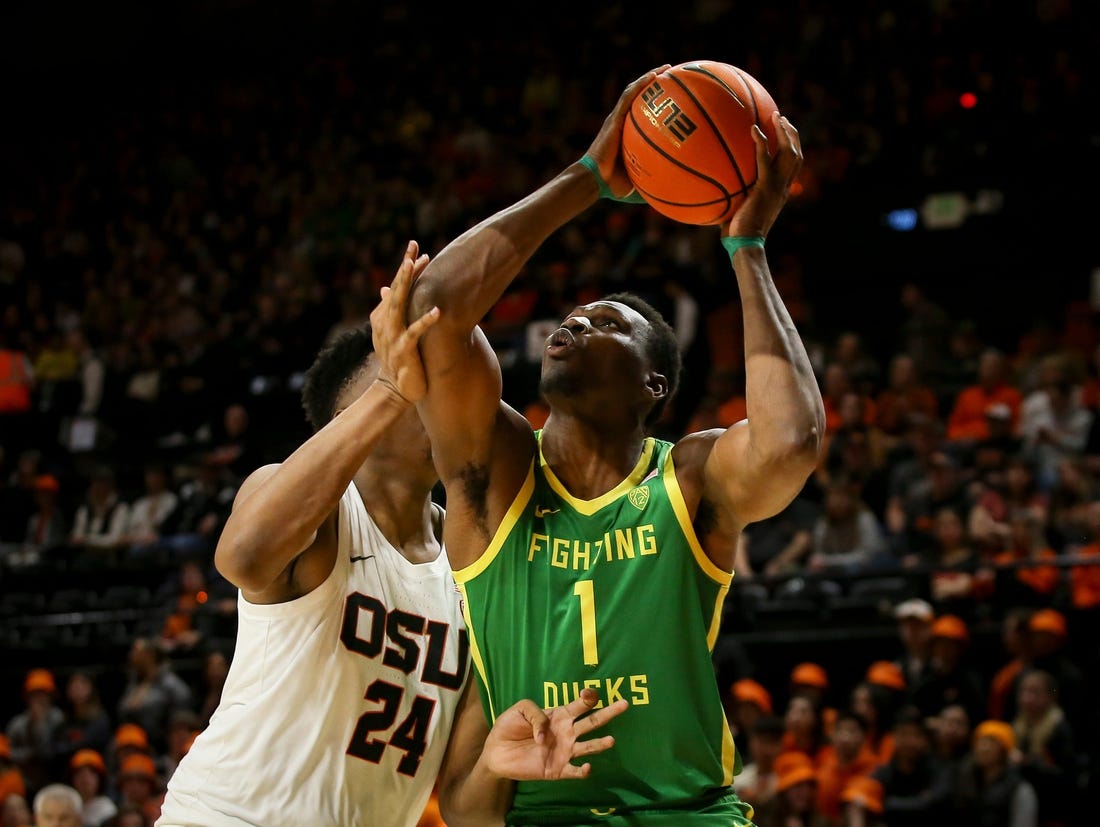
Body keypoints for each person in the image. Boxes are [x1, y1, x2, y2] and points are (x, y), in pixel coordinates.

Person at [409, 67, 824, 824]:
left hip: (691, 813)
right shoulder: (498, 471)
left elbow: (791, 441)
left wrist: (749, 246)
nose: (576, 321)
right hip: (541, 813)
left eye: (609, 321)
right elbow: (426, 312)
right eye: (572, 316)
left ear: (654, 385)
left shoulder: (691, 477)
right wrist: (587, 178)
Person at [156, 246, 627, 827]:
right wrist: (392, 390)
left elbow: (464, 808)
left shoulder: (476, 570)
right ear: (356, 406)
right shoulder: (314, 508)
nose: (435, 399)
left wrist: (503, 763)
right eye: (413, 382)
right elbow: (243, 558)